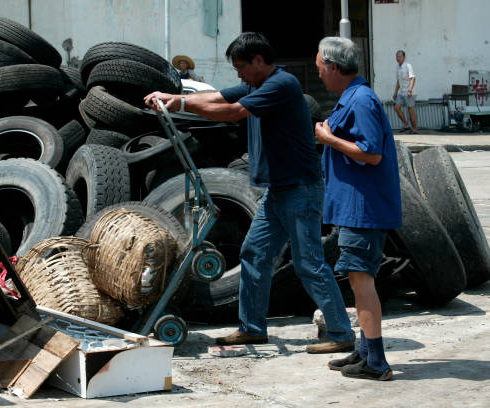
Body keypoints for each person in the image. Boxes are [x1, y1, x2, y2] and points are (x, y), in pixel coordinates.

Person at [145, 32, 354, 354]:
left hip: (301, 190)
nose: (238, 74)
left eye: (241, 66)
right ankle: (252, 328)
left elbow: (233, 112)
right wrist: (173, 96)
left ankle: (341, 333)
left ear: (259, 61)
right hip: (277, 192)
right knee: (254, 254)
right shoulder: (256, 84)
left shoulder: (281, 85)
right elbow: (218, 97)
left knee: (308, 263)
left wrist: (181, 105)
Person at [314, 36, 402, 381]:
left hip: (363, 209)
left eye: (321, 67)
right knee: (357, 278)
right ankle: (365, 351)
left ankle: (376, 361)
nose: (319, 73)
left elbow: (371, 153)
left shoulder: (361, 100)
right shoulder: (353, 97)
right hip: (356, 207)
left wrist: (328, 139)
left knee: (361, 281)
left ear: (334, 67)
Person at [392, 50, 418, 133]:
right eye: (397, 56)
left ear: (404, 57)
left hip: (409, 91)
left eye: (400, 56)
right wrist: (395, 92)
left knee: (410, 110)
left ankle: (415, 129)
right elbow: (398, 81)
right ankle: (406, 124)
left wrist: (410, 89)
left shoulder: (408, 65)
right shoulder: (397, 67)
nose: (398, 58)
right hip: (401, 92)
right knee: (396, 108)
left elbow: (413, 78)